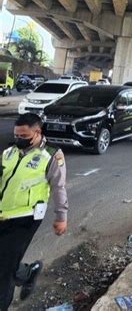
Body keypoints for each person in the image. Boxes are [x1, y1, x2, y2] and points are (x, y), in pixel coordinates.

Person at [0, 113, 69, 310]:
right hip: (3, 213)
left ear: (37, 133)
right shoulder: (10, 152)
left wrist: (61, 217)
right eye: (16, 135)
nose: (18, 139)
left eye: (23, 136)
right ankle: (27, 273)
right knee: (5, 260)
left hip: (26, 218)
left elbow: (59, 187)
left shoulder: (51, 155)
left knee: (4, 268)